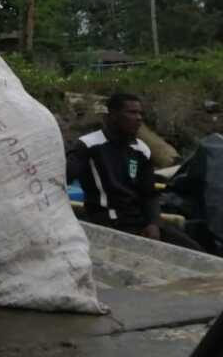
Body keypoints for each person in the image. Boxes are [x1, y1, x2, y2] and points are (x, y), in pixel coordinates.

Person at [66, 93, 203, 250]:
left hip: (138, 219)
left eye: (140, 113)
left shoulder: (141, 149)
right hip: (108, 220)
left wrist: (153, 223)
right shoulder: (89, 145)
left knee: (194, 250)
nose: (138, 118)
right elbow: (64, 178)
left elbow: (149, 194)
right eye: (131, 113)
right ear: (113, 116)